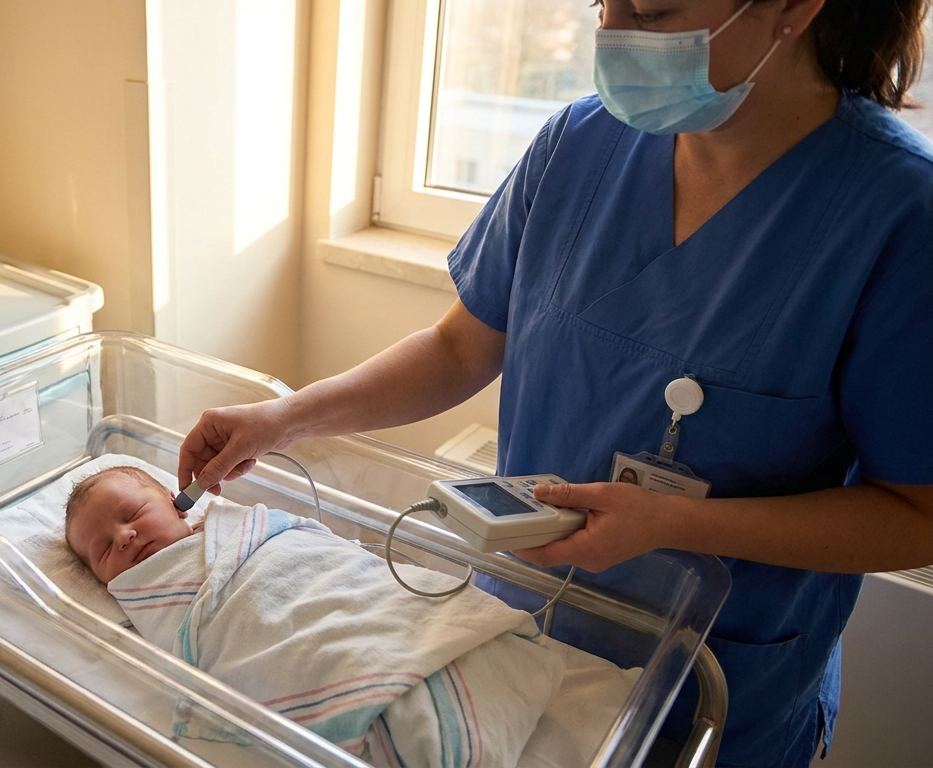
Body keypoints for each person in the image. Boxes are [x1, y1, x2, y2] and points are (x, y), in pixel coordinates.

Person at [177, 1, 933, 765]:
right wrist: (284, 418)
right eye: (603, 1)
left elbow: (918, 512)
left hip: (711, 691)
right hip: (515, 643)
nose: (610, 31)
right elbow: (458, 350)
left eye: (651, 9)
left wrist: (675, 527)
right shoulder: (579, 145)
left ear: (793, 9)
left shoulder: (899, 216)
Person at [64, 466, 202, 583]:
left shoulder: (216, 523)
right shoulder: (133, 600)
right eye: (105, 548)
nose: (123, 536)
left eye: (134, 514)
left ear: (174, 503)